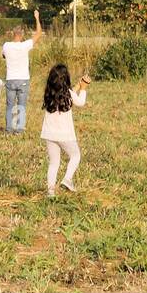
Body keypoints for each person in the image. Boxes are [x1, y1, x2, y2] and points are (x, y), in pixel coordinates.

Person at [40, 64, 90, 196]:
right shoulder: (68, 94)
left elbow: (67, 95)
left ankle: (50, 192)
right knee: (75, 156)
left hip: (49, 134)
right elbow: (79, 102)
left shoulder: (49, 93)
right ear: (66, 79)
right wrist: (83, 89)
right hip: (65, 135)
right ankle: (67, 179)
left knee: (54, 162)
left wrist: (78, 86)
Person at [1, 9, 43, 134]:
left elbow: (3, 56)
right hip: (23, 79)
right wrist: (37, 18)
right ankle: (18, 130)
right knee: (21, 105)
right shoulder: (25, 45)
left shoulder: (6, 45)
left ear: (13, 34)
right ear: (22, 34)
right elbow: (39, 33)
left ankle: (9, 129)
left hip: (10, 79)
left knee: (10, 105)